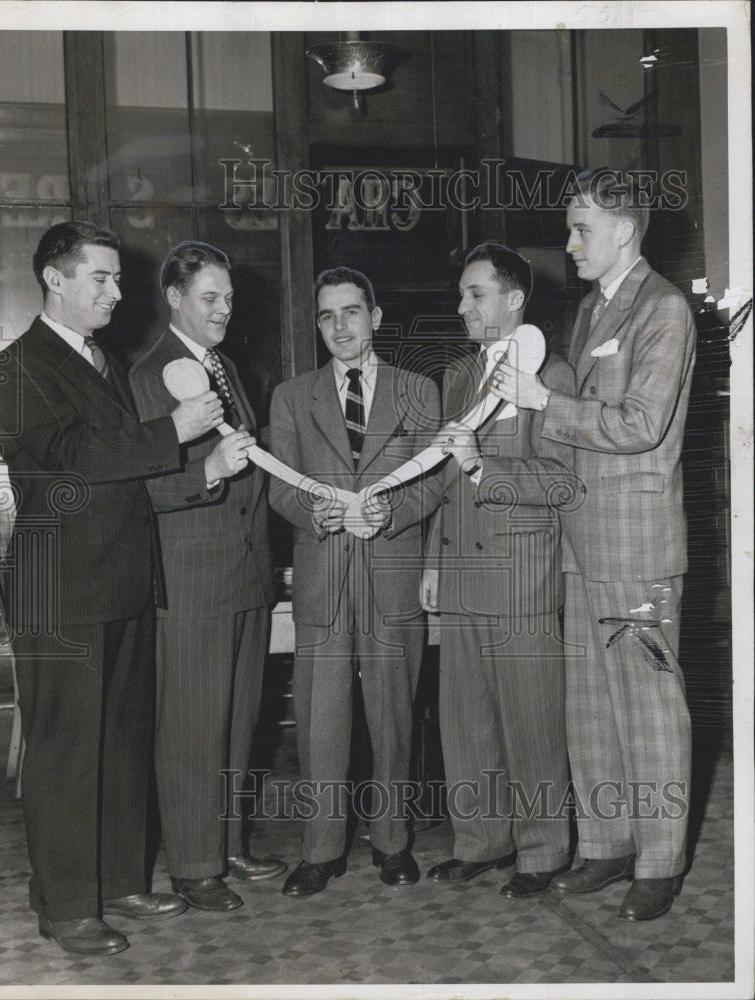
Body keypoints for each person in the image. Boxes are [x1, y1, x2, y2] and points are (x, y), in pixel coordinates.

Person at [0, 221, 223, 956]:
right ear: (55, 279)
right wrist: (173, 432)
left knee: (122, 739)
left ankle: (119, 880)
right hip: (61, 588)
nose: (117, 294)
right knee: (65, 751)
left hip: (120, 576)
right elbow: (66, 458)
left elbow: (125, 474)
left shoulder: (104, 360)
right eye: (102, 278)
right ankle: (64, 907)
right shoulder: (16, 366)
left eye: (119, 279)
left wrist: (203, 470)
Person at [492, 169, 696, 921]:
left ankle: (661, 860)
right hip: (584, 541)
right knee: (591, 709)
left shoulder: (664, 309)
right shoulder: (586, 311)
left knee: (648, 706)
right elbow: (570, 427)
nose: (569, 242)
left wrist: (547, 401)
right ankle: (607, 845)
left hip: (637, 546)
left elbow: (641, 423)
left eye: (581, 228)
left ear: (624, 230)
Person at [268, 267, 442, 896]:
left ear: (375, 317)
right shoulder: (292, 396)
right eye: (326, 316)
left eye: (350, 312)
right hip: (323, 578)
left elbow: (436, 478)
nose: (339, 326)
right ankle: (321, 849)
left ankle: (393, 842)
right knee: (321, 722)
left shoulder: (419, 390)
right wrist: (307, 510)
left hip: (392, 577)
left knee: (393, 716)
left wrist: (392, 511)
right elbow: (279, 482)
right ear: (317, 325)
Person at [128, 242, 285, 913]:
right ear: (174, 297)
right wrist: (211, 472)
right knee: (193, 727)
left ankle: (227, 844)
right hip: (190, 579)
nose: (222, 308)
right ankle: (194, 867)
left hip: (244, 573)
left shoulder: (223, 366)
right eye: (208, 297)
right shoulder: (147, 374)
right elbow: (140, 489)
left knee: (239, 720)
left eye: (227, 297)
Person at [421, 242, 576, 897]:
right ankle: (482, 842)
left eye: (475, 294)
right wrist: (431, 561)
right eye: (461, 295)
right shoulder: (455, 378)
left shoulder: (555, 377)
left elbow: (563, 480)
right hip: (458, 570)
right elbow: (438, 480)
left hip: (521, 574)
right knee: (466, 721)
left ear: (514, 299)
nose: (463, 306)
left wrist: (487, 466)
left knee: (531, 721)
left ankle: (542, 852)